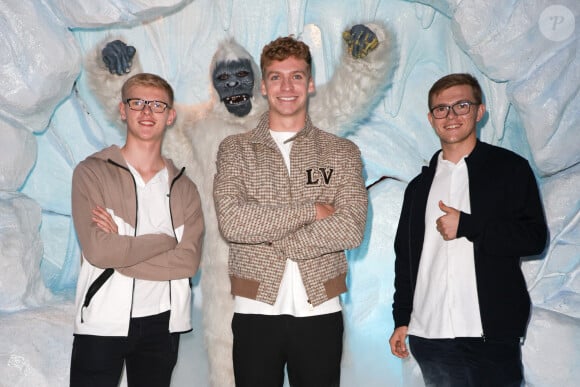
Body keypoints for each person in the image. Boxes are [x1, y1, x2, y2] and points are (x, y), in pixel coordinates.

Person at [213, 36, 369, 387]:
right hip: (255, 311)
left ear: (310, 83)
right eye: (276, 77)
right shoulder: (235, 149)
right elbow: (233, 222)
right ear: (264, 87)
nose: (287, 86)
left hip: (322, 310)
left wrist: (270, 236)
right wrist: (312, 210)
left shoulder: (341, 151)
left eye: (296, 76)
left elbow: (350, 228)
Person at [388, 73, 548, 386]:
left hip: (491, 335)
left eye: (461, 106)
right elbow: (405, 261)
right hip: (429, 335)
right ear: (431, 118)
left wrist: (469, 225)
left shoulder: (510, 169)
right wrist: (402, 320)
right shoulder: (419, 188)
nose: (451, 116)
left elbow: (533, 238)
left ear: (479, 111)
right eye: (441, 109)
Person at [69, 72, 204, 387]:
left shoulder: (184, 187)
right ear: (122, 110)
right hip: (102, 321)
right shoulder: (92, 172)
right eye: (138, 102)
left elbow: (187, 263)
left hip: (163, 323)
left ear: (170, 116)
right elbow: (99, 251)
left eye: (158, 105)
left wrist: (124, 249)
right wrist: (164, 241)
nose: (147, 112)